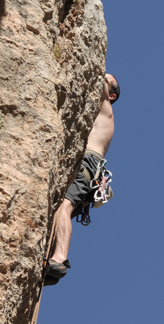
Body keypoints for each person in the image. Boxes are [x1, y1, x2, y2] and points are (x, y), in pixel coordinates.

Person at [45, 72, 120, 285]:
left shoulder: (106, 110)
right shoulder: (98, 113)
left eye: (109, 80)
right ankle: (51, 258)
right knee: (61, 212)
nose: (104, 78)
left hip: (89, 163)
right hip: (90, 168)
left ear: (112, 95)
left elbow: (99, 81)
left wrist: (102, 75)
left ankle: (59, 259)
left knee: (64, 206)